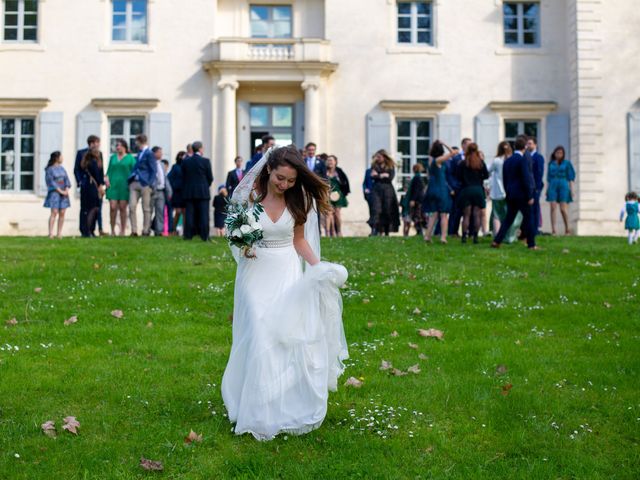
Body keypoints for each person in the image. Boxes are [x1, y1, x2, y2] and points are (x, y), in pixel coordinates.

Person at [221, 144, 348, 441]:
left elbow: (300, 240)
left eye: (290, 180)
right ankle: (256, 408)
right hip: (255, 272)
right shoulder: (250, 197)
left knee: (283, 336)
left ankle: (279, 405)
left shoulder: (298, 199)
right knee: (259, 330)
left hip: (287, 270)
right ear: (269, 170)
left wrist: (319, 267)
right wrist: (244, 242)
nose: (284, 184)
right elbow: (235, 233)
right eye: (280, 178)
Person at [492, 135, 538, 250]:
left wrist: (507, 192)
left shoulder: (507, 161)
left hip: (511, 194)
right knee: (529, 218)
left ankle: (497, 241)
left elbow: (505, 179)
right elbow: (526, 179)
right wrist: (530, 195)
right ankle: (531, 244)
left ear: (514, 146)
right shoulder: (522, 160)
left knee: (508, 219)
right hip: (522, 194)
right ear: (525, 147)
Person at [422, 141, 456, 243]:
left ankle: (427, 236)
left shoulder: (430, 160)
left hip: (432, 188)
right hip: (440, 189)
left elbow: (429, 176)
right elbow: (453, 152)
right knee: (444, 214)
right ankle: (443, 237)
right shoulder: (439, 160)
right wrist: (445, 143)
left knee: (434, 213)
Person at [457, 143, 489, 244]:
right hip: (478, 189)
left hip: (466, 189)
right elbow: (486, 175)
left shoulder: (463, 163)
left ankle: (464, 237)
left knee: (466, 215)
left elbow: (458, 176)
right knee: (476, 214)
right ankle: (475, 237)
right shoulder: (480, 162)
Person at [182, 141, 213, 241]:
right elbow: (210, 178)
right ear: (200, 149)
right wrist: (204, 186)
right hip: (203, 191)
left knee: (189, 215)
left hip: (189, 191)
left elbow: (183, 176)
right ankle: (204, 236)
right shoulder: (206, 161)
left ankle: (188, 235)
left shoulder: (186, 161)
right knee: (204, 215)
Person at [128, 134, 157, 236]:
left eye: (136, 141)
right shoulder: (139, 153)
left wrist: (149, 183)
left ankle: (145, 230)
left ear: (140, 141)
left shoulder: (149, 154)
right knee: (131, 207)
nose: (135, 143)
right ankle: (134, 230)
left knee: (146, 208)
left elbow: (153, 170)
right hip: (134, 183)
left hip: (145, 184)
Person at [105, 139, 136, 236]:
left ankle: (122, 230)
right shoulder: (113, 158)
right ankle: (112, 230)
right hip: (113, 185)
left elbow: (134, 172)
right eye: (117, 145)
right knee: (112, 207)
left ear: (124, 147)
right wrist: (106, 179)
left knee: (123, 208)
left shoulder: (130, 158)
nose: (117, 147)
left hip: (124, 186)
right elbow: (108, 171)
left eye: (119, 145)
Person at [74, 135, 102, 237]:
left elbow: (100, 170)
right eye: (95, 142)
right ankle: (84, 230)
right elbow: (76, 169)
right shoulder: (81, 153)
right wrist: (80, 181)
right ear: (90, 143)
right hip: (86, 184)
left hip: (95, 186)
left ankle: (91, 229)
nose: (97, 145)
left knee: (95, 207)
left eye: (98, 142)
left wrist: (101, 184)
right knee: (85, 208)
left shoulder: (99, 154)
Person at [369, 149, 400, 236]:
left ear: (384, 157)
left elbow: (390, 178)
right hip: (377, 190)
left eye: (379, 157)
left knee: (387, 209)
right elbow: (372, 176)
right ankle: (374, 230)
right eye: (376, 157)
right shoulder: (374, 166)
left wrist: (378, 175)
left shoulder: (390, 166)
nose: (377, 158)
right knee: (376, 209)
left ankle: (386, 231)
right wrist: (382, 175)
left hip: (387, 191)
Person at [546, 145, 576, 236]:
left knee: (563, 209)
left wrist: (572, 189)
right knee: (553, 207)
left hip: (563, 184)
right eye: (557, 152)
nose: (559, 154)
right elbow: (548, 178)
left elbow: (571, 177)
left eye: (561, 153)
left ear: (563, 154)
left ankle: (567, 229)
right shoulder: (551, 164)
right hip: (553, 185)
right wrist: (547, 189)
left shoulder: (567, 163)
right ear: (554, 153)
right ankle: (554, 230)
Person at [447, 138, 472, 236]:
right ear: (463, 145)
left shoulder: (473, 158)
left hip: (469, 188)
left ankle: (469, 232)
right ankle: (453, 231)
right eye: (468, 144)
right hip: (459, 188)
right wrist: (454, 186)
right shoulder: (456, 158)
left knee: (469, 211)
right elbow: (451, 174)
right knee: (456, 211)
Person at [43, 151, 71, 239]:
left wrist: (66, 189)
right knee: (54, 212)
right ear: (56, 158)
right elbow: (50, 182)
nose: (62, 158)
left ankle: (59, 233)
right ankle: (50, 233)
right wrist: (60, 191)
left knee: (62, 212)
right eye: (61, 156)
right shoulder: (50, 169)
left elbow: (66, 179)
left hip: (64, 193)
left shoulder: (62, 169)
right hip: (54, 193)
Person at [79, 148, 105, 237]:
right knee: (94, 208)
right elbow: (97, 176)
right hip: (93, 187)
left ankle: (87, 230)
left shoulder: (86, 162)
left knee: (89, 209)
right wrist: (100, 186)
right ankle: (89, 230)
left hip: (87, 187)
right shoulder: (93, 163)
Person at [487, 141, 510, 235]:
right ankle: (507, 234)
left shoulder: (496, 160)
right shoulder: (511, 160)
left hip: (497, 191)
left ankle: (497, 234)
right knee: (507, 214)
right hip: (509, 190)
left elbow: (488, 170)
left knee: (496, 215)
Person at [325, 155, 350, 237]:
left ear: (335, 162)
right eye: (328, 160)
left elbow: (345, 182)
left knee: (337, 213)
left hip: (338, 194)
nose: (330, 162)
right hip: (327, 194)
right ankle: (328, 233)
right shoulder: (324, 171)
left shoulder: (339, 171)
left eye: (331, 160)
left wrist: (345, 192)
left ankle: (339, 231)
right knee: (329, 213)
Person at [151, 147, 172, 236]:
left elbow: (165, 178)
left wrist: (169, 190)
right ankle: (147, 229)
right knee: (149, 211)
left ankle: (159, 231)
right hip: (152, 190)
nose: (161, 154)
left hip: (161, 191)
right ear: (154, 153)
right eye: (159, 152)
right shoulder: (150, 164)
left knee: (160, 211)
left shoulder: (162, 165)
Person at [526, 136, 545, 236]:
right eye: (527, 143)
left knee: (535, 207)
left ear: (535, 145)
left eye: (530, 143)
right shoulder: (526, 156)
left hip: (535, 187)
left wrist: (537, 188)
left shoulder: (538, 157)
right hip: (527, 186)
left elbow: (539, 173)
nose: (528, 145)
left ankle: (535, 229)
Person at [401, 163, 425, 237]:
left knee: (416, 216)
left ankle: (419, 231)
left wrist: (413, 200)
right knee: (417, 216)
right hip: (419, 200)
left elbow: (416, 190)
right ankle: (419, 231)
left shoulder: (416, 178)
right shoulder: (419, 178)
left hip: (417, 200)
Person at [168, 151, 186, 235]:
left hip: (185, 192)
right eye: (180, 156)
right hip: (177, 193)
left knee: (185, 212)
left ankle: (185, 230)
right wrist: (174, 186)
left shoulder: (186, 167)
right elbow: (169, 178)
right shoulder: (175, 167)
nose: (181, 158)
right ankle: (173, 229)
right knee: (178, 212)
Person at [362, 162, 375, 235]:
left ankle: (378, 230)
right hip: (370, 195)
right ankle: (373, 229)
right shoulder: (368, 171)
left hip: (378, 195)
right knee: (372, 212)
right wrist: (365, 189)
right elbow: (364, 183)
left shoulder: (379, 172)